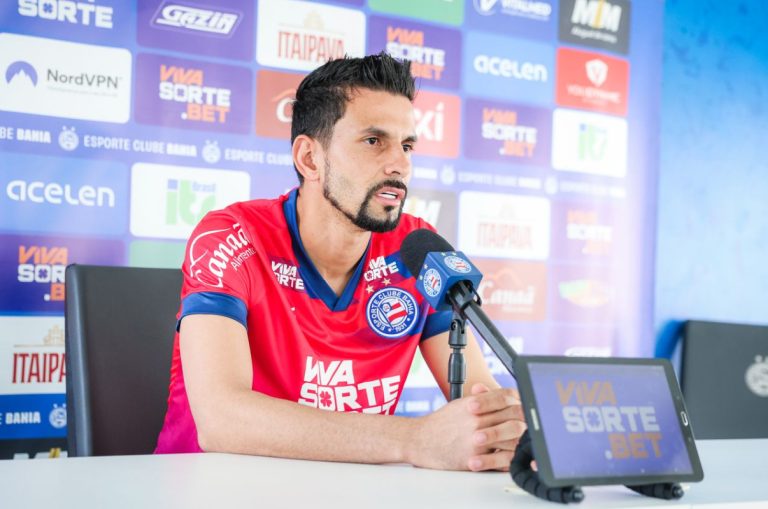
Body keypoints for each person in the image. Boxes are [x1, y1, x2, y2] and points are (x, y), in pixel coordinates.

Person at [155, 53, 525, 471]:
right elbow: (221, 420)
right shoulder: (232, 236)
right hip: (208, 485)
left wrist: (506, 432)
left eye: (406, 146)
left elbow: (480, 398)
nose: (400, 164)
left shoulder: (418, 249)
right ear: (310, 158)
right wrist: (413, 439)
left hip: (349, 490)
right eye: (374, 141)